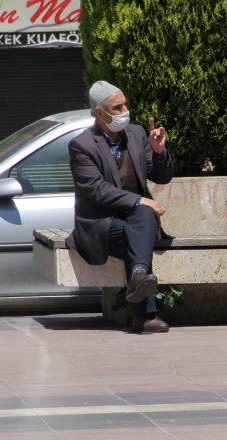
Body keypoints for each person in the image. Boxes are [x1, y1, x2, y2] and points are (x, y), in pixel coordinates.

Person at [66, 80, 174, 333]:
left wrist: (159, 152)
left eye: (125, 104)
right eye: (118, 107)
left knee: (140, 223)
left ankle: (138, 278)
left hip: (137, 220)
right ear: (99, 113)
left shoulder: (136, 135)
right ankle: (144, 314)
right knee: (139, 224)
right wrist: (139, 200)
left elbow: (161, 176)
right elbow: (96, 189)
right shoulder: (82, 145)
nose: (125, 110)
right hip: (101, 225)